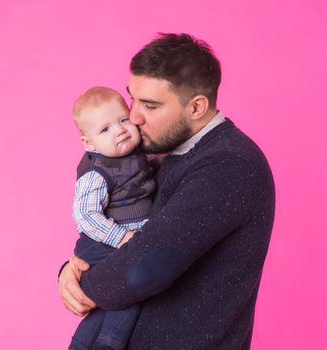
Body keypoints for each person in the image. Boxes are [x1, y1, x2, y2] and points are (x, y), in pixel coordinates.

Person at [59, 33, 275, 349]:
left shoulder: (228, 164)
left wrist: (81, 282)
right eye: (133, 99)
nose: (133, 117)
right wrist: (71, 268)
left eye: (150, 105)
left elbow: (145, 266)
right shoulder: (167, 153)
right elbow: (123, 231)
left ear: (197, 106)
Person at [69, 87, 156, 350]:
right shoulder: (97, 171)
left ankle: (83, 343)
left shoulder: (139, 152)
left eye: (123, 120)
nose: (119, 130)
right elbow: (85, 214)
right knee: (131, 283)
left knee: (113, 294)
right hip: (101, 240)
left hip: (128, 235)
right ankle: (109, 342)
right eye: (105, 129)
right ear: (89, 143)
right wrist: (121, 238)